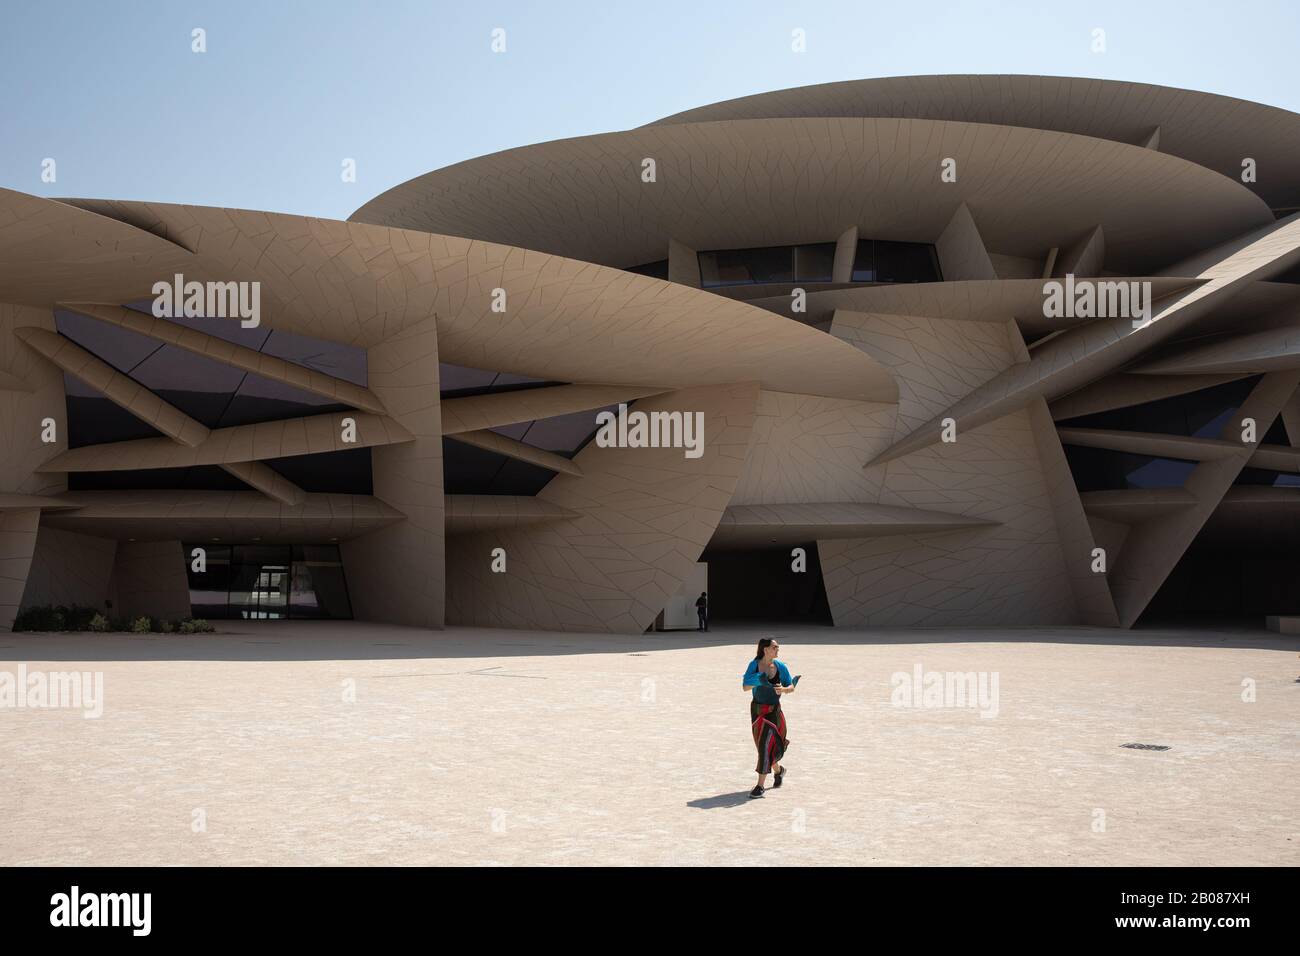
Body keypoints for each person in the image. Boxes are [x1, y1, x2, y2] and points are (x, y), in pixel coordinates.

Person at [741, 637, 794, 798]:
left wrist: (783, 690)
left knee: (765, 746)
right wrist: (758, 680)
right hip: (757, 711)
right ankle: (779, 771)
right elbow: (745, 687)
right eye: (775, 647)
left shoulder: (780, 666)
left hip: (773, 711)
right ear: (765, 649)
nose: (778, 649)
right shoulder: (754, 665)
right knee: (764, 748)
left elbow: (790, 686)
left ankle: (760, 786)